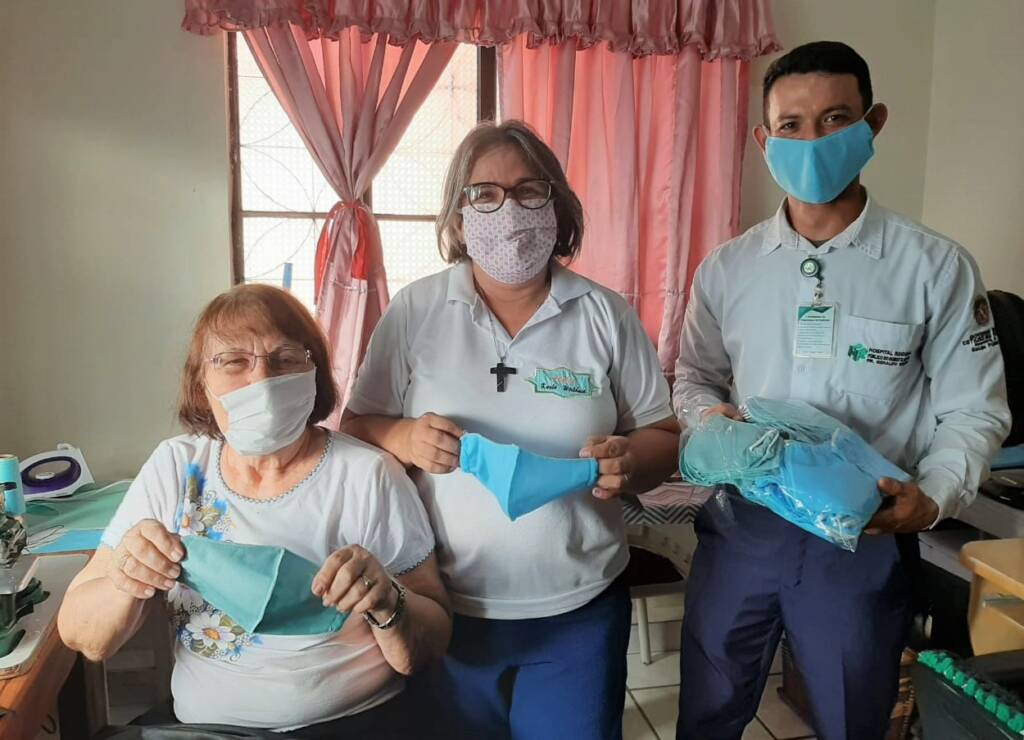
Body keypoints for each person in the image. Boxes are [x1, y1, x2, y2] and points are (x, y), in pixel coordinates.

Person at [673, 41, 1011, 740]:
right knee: (708, 710)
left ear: (872, 124)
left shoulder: (933, 267)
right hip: (744, 528)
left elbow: (974, 408)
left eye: (834, 119)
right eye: (791, 126)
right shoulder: (728, 269)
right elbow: (695, 377)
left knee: (854, 717)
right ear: (764, 141)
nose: (812, 141)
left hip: (863, 535)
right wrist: (709, 420)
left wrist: (933, 497)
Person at [340, 120, 680, 739]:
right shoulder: (416, 311)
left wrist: (629, 460)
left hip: (579, 611)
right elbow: (356, 426)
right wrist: (404, 438)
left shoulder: (604, 313)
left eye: (529, 190)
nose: (510, 210)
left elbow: (664, 435)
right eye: (485, 194)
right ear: (458, 215)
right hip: (444, 610)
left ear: (558, 205)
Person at [58, 284, 451, 738]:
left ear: (316, 375)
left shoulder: (369, 475)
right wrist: (128, 579)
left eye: (286, 358)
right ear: (201, 383)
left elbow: (432, 640)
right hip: (204, 729)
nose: (262, 380)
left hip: (347, 724)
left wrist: (388, 602)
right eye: (233, 361)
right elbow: (83, 636)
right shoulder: (176, 468)